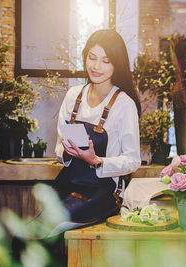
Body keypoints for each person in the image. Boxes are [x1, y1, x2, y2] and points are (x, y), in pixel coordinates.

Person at [52, 29, 141, 232]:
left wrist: (96, 160)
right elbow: (59, 148)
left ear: (116, 64)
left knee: (47, 228)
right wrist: (67, 152)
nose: (96, 66)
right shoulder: (73, 95)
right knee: (29, 233)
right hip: (70, 183)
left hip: (105, 191)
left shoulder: (124, 104)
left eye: (106, 60)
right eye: (92, 58)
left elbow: (133, 160)